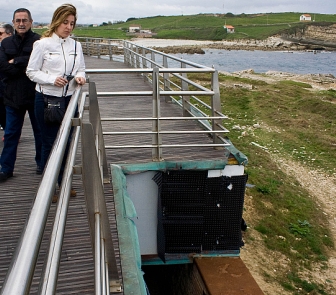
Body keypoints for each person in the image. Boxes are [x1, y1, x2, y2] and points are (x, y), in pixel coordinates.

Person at [26, 3, 86, 201]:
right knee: (49, 143)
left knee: (68, 143)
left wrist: (80, 77)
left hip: (69, 99)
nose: (68, 27)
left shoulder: (76, 45)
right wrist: (52, 79)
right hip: (46, 100)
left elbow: (81, 69)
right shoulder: (42, 44)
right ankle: (49, 187)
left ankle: (64, 183)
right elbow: (31, 72)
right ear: (56, 21)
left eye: (72, 23)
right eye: (65, 22)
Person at [0, 9, 42, 181]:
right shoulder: (6, 42)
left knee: (39, 132)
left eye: (25, 20)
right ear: (14, 22)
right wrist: (25, 63)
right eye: (18, 20)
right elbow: (2, 66)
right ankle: (6, 168)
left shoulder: (39, 41)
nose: (21, 23)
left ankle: (42, 163)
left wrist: (16, 61)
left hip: (34, 94)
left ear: (31, 22)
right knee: (10, 133)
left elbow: (38, 64)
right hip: (12, 96)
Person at [0, 24, 14, 136]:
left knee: (7, 111)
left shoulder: (12, 49)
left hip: (9, 85)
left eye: (1, 34)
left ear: (9, 34)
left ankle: (9, 132)